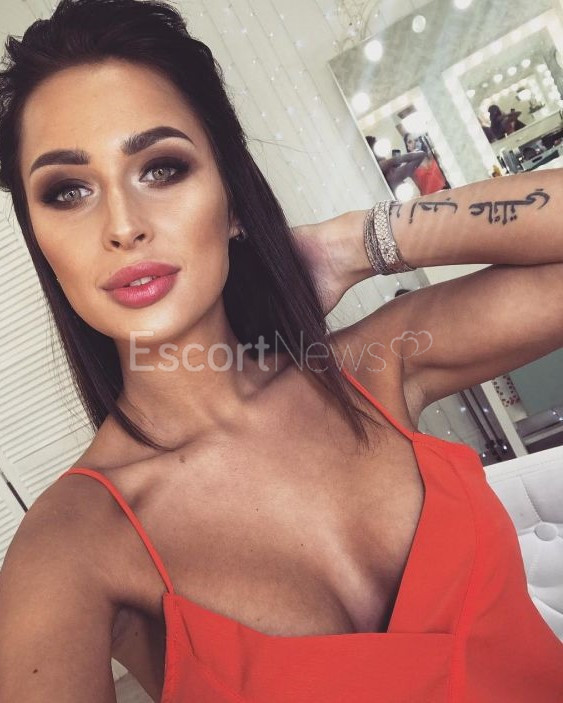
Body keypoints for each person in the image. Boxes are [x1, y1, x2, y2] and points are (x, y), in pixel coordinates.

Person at [0, 1, 562, 701]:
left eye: (162, 169)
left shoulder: (372, 367)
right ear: (39, 240)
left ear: (232, 200)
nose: (122, 225)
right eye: (67, 191)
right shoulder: (69, 549)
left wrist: (353, 243)